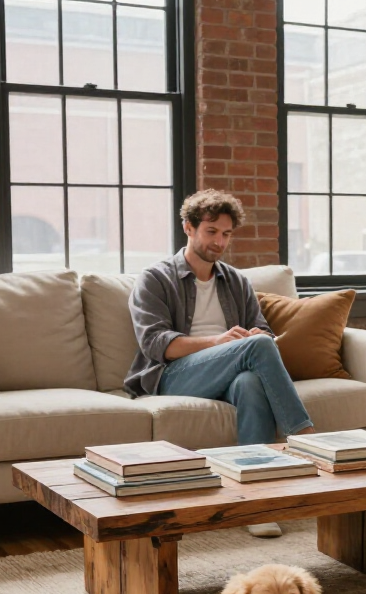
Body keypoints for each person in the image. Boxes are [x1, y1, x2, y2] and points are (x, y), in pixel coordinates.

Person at [125, 190, 314, 538]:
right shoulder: (156, 278)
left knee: (251, 384)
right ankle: (306, 439)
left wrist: (258, 335)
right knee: (253, 350)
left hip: (231, 373)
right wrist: (217, 341)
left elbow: (266, 334)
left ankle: (254, 503)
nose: (219, 242)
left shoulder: (237, 281)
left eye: (226, 234)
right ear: (189, 228)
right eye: (211, 231)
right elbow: (155, 344)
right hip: (173, 375)